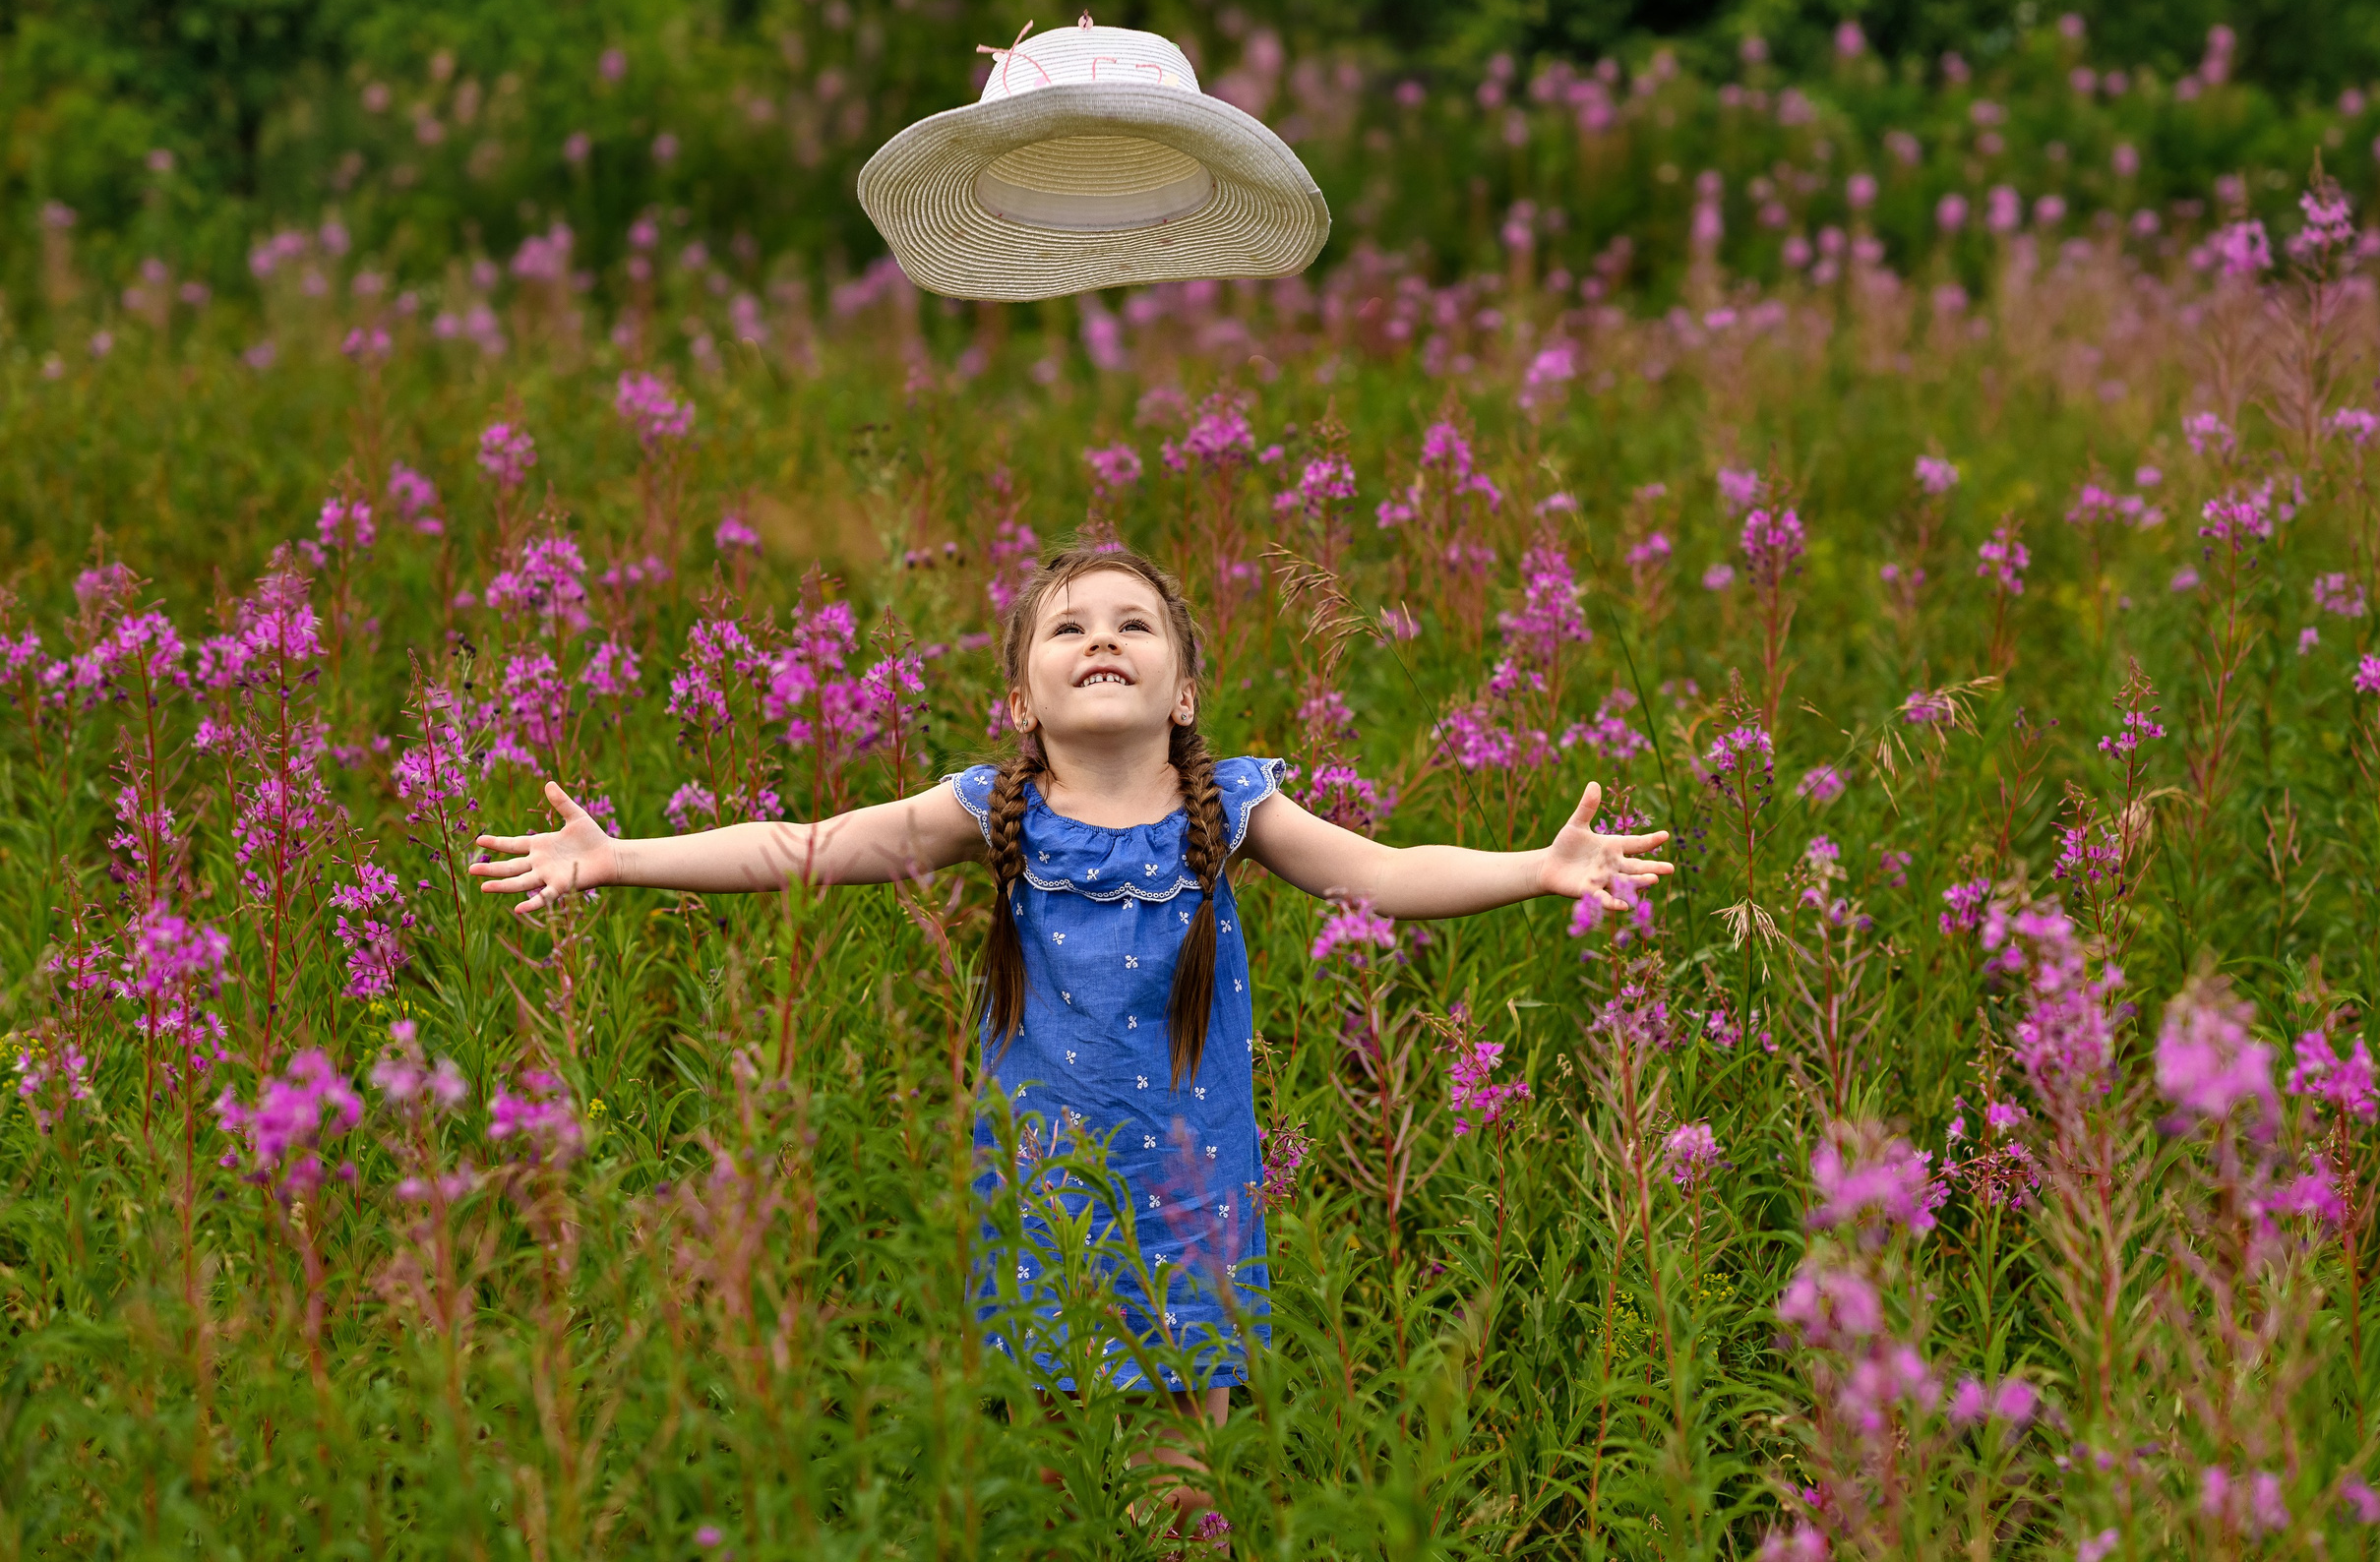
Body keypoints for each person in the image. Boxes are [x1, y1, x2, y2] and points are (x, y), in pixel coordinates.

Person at [469, 541, 1673, 1533]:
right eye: (1070, 626)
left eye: (1134, 625)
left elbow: (1388, 871)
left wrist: (1540, 867)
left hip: (1190, 1199)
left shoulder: (1239, 807)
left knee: (1178, 1485)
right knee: (1051, 1476)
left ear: (1185, 691)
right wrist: (615, 857)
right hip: (1038, 1202)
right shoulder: (986, 810)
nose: (1103, 638)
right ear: (1019, 700)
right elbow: (806, 844)